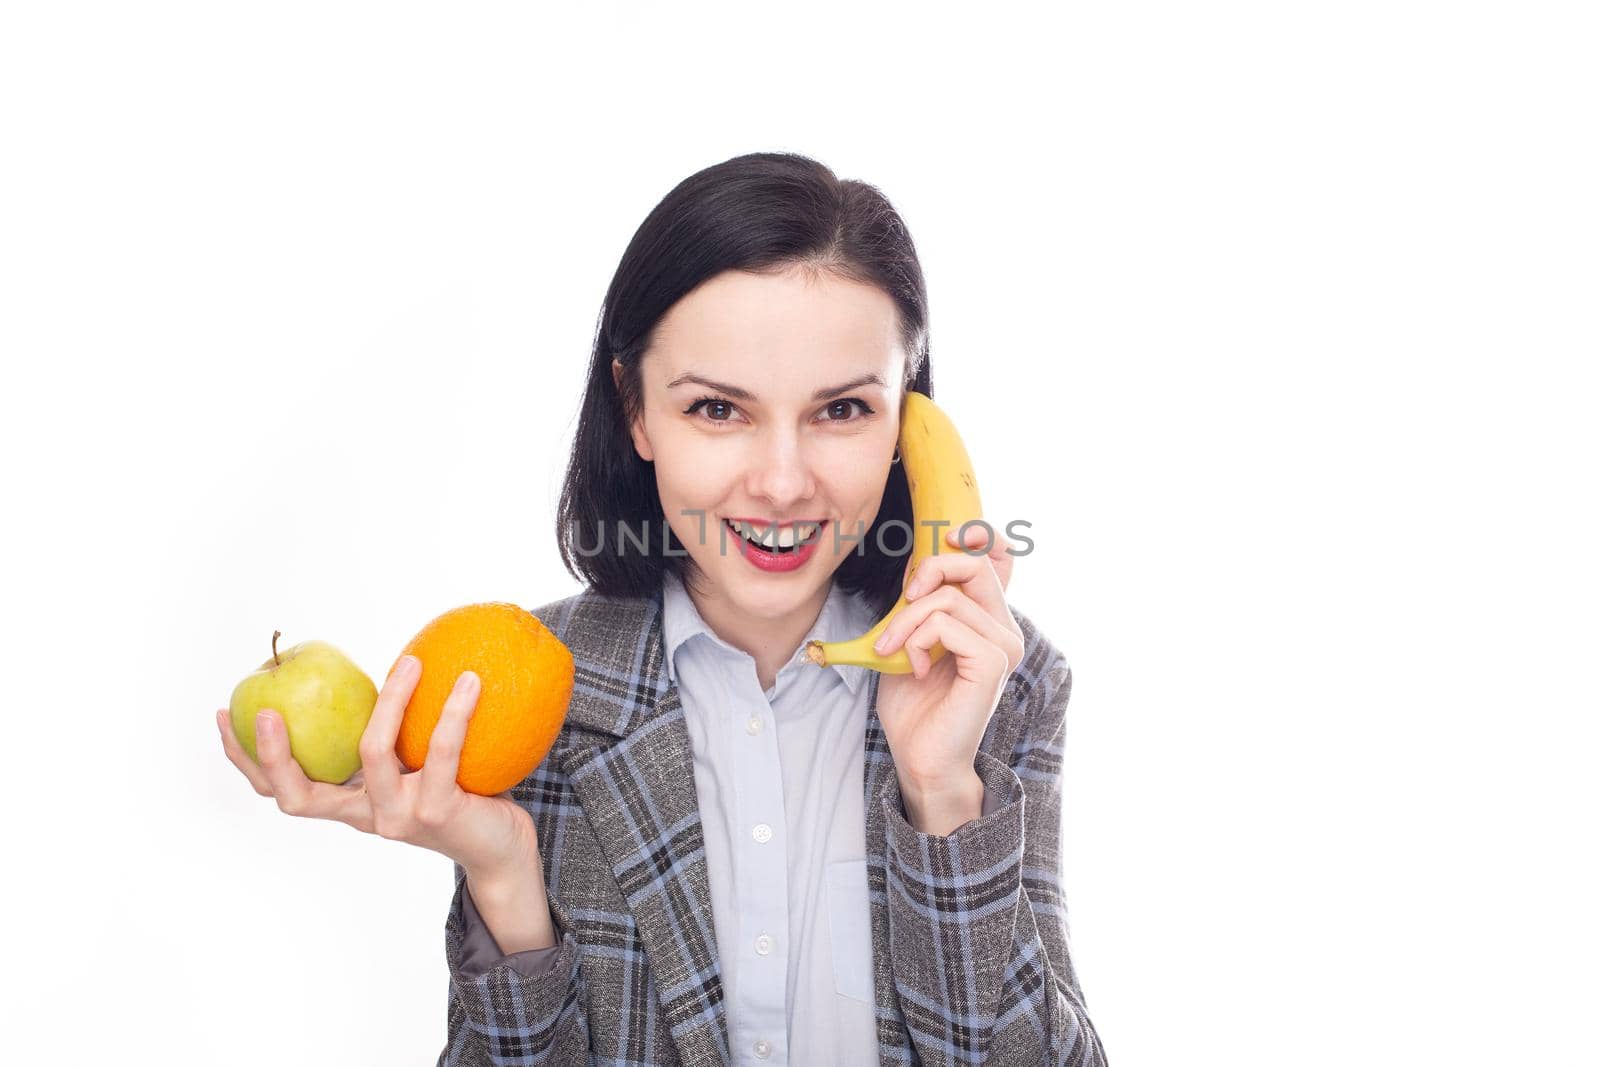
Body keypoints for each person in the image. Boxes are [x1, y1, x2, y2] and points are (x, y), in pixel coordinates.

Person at [217, 151, 1107, 1066]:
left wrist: (945, 793)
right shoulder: (518, 690)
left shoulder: (1002, 679)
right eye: (718, 409)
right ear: (635, 411)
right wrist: (504, 875)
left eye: (841, 410)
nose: (781, 483)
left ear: (905, 424)